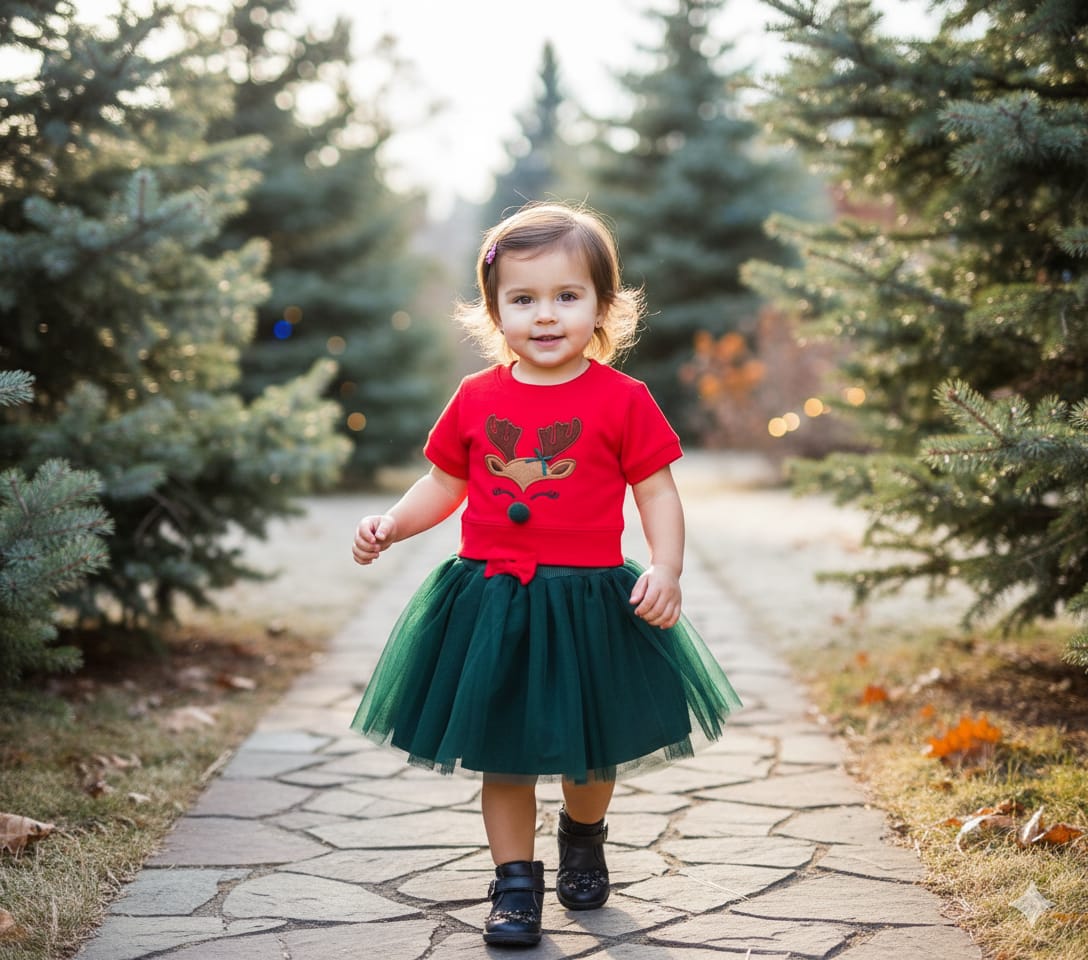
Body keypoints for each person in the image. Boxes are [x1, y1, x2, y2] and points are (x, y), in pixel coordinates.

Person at [350, 201, 741, 948]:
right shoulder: (476, 398)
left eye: (568, 296)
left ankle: (584, 830)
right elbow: (444, 483)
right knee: (504, 753)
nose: (546, 315)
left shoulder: (623, 400)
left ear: (603, 307)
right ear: (495, 311)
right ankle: (515, 884)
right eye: (523, 299)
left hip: (589, 601)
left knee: (590, 753)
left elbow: (656, 491)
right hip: (494, 601)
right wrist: (392, 525)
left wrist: (667, 567)